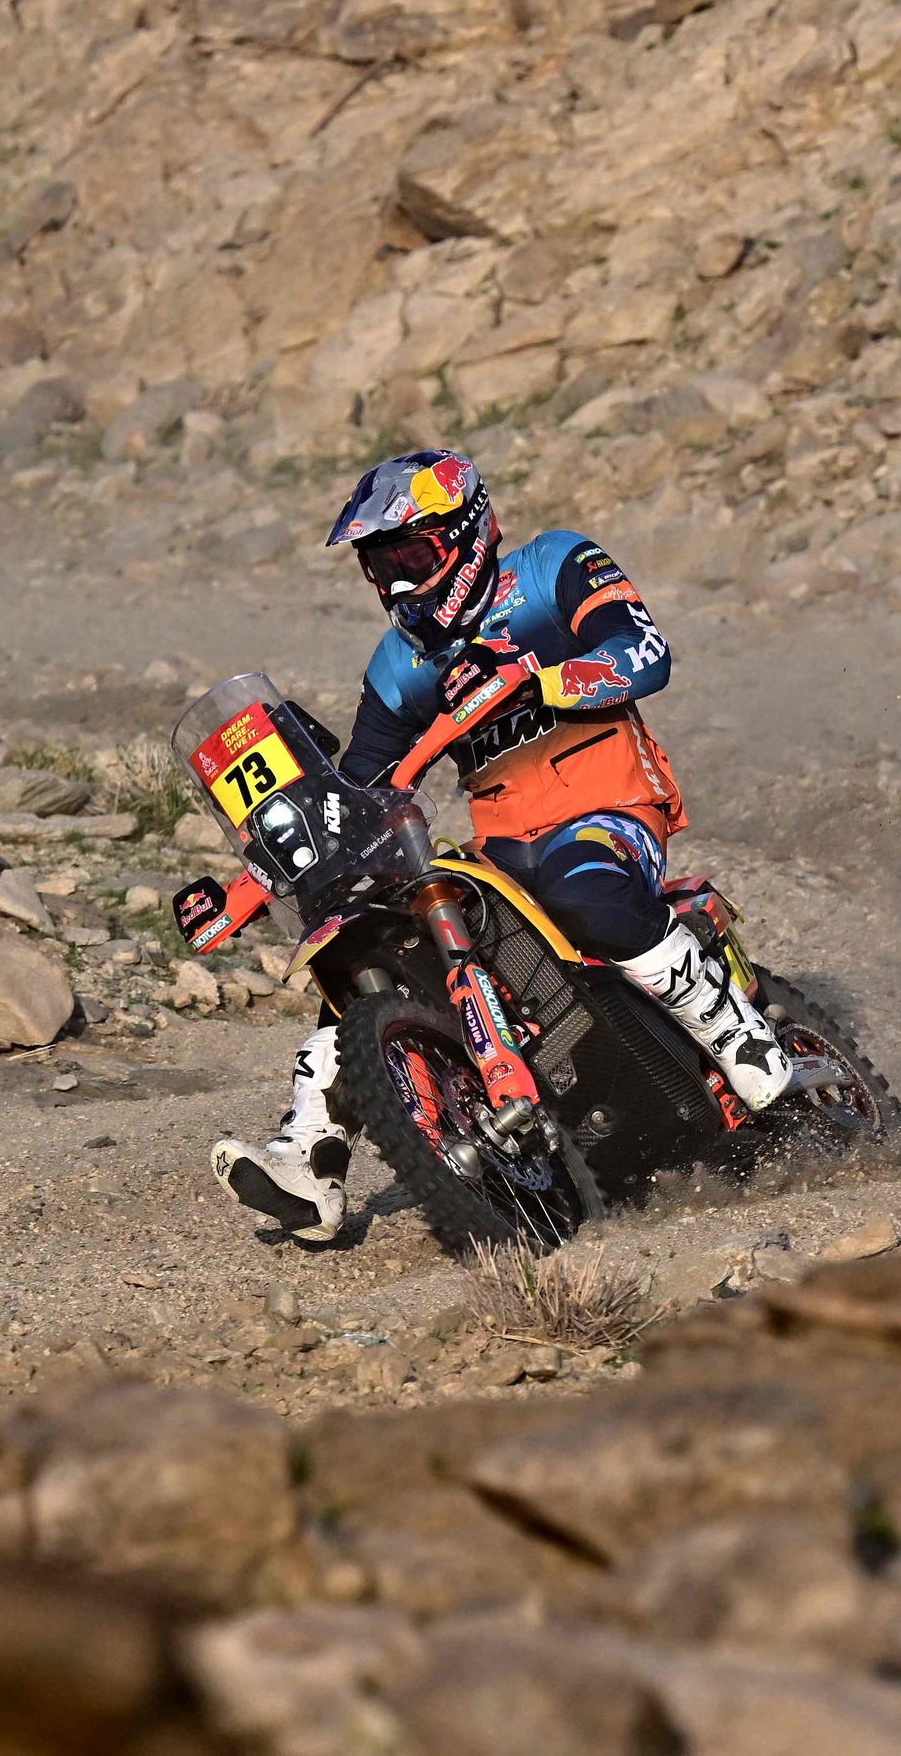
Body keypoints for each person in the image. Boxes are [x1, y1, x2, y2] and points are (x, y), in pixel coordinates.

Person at [209, 450, 795, 1240]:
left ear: (466, 533)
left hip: (609, 804)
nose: (399, 582)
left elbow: (645, 653)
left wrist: (541, 675)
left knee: (584, 885)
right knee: (379, 945)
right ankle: (308, 1152)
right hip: (502, 845)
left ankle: (746, 1046)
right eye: (380, 564)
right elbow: (355, 789)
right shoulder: (400, 663)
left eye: (412, 555)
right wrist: (244, 882)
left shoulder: (554, 566)